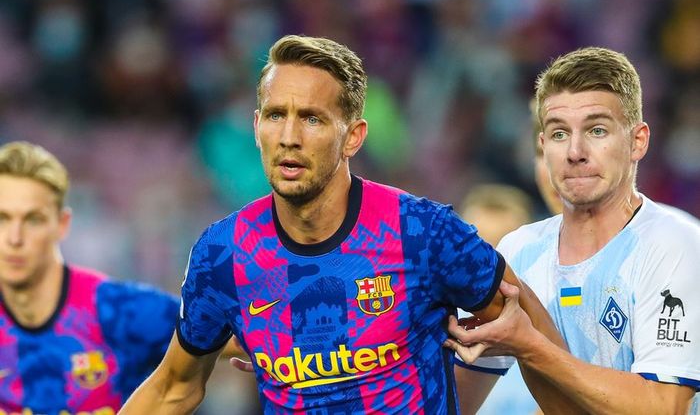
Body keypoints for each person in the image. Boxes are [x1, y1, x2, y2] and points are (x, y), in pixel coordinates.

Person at [120, 34, 568, 414]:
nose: (289, 137)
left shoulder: (424, 233)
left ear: (352, 136)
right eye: (276, 115)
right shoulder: (223, 254)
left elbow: (542, 346)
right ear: (257, 127)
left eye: (312, 119)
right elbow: (174, 386)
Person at [448, 47, 700, 414]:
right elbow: (454, 403)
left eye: (597, 130)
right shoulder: (519, 251)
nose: (575, 151)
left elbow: (663, 408)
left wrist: (531, 346)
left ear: (638, 141)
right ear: (542, 145)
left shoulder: (676, 245)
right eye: (559, 133)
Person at [0, 141, 244, 414]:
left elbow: (247, 337)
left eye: (33, 220)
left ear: (62, 224)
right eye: (2, 219)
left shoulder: (118, 311)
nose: (14, 238)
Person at [455, 184, 538, 415]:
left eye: (502, 250)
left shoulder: (546, 324)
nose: (490, 268)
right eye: (480, 248)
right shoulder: (443, 324)